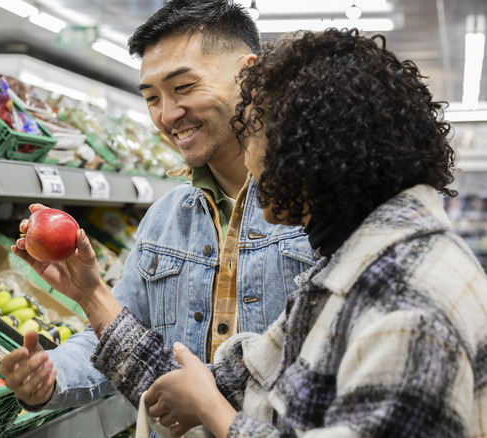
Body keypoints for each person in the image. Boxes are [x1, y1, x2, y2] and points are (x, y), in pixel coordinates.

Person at [76, 27, 487, 437]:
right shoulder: (344, 273)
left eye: (254, 133)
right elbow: (236, 388)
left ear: (314, 145)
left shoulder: (405, 296)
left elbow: (213, 400)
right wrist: (92, 294)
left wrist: (212, 410)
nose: (250, 161)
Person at [0, 0, 315, 417]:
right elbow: (117, 334)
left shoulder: (314, 208)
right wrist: (50, 376)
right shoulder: (164, 221)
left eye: (184, 87)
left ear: (250, 75)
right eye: (151, 97)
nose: (168, 115)